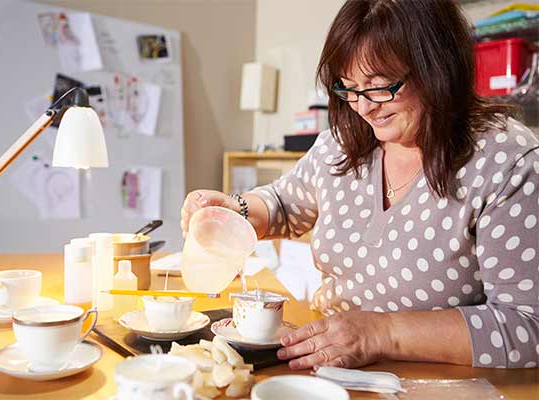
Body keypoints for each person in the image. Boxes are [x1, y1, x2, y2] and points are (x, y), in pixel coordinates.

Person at [181, 0, 539, 370]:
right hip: (333, 367)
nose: (363, 108)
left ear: (438, 67)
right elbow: (283, 204)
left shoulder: (504, 160)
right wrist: (234, 210)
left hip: (436, 382)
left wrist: (381, 334)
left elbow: (529, 325)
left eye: (380, 87)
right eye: (348, 88)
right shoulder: (343, 144)